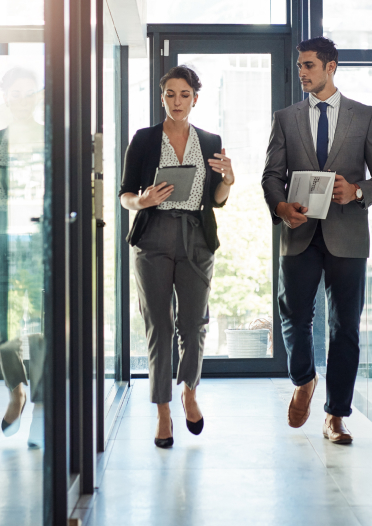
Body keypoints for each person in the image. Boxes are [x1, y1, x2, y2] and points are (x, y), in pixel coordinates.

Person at [262, 37, 372, 444]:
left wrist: (356, 191)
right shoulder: (285, 118)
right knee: (293, 316)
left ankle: (336, 416)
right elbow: (270, 176)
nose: (302, 72)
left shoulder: (365, 116)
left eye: (309, 66)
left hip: (347, 234)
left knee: (345, 327)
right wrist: (282, 207)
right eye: (300, 66)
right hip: (299, 232)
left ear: (331, 66)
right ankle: (304, 379)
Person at [119, 65, 235, 448]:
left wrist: (229, 182)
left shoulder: (210, 140)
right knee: (160, 326)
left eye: (184, 94)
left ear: (195, 98)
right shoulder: (144, 139)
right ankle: (163, 411)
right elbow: (124, 195)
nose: (177, 101)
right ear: (162, 96)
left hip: (196, 237)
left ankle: (189, 391)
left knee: (193, 324)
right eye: (170, 94)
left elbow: (215, 200)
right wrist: (143, 199)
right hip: (152, 236)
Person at [0, 66, 45, 448]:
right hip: (3, 239)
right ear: (6, 97)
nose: (23, 99)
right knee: (2, 321)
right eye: (16, 93)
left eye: (29, 93)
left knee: (41, 321)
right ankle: (17, 389)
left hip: (41, 241)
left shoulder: (51, 138)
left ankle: (40, 398)